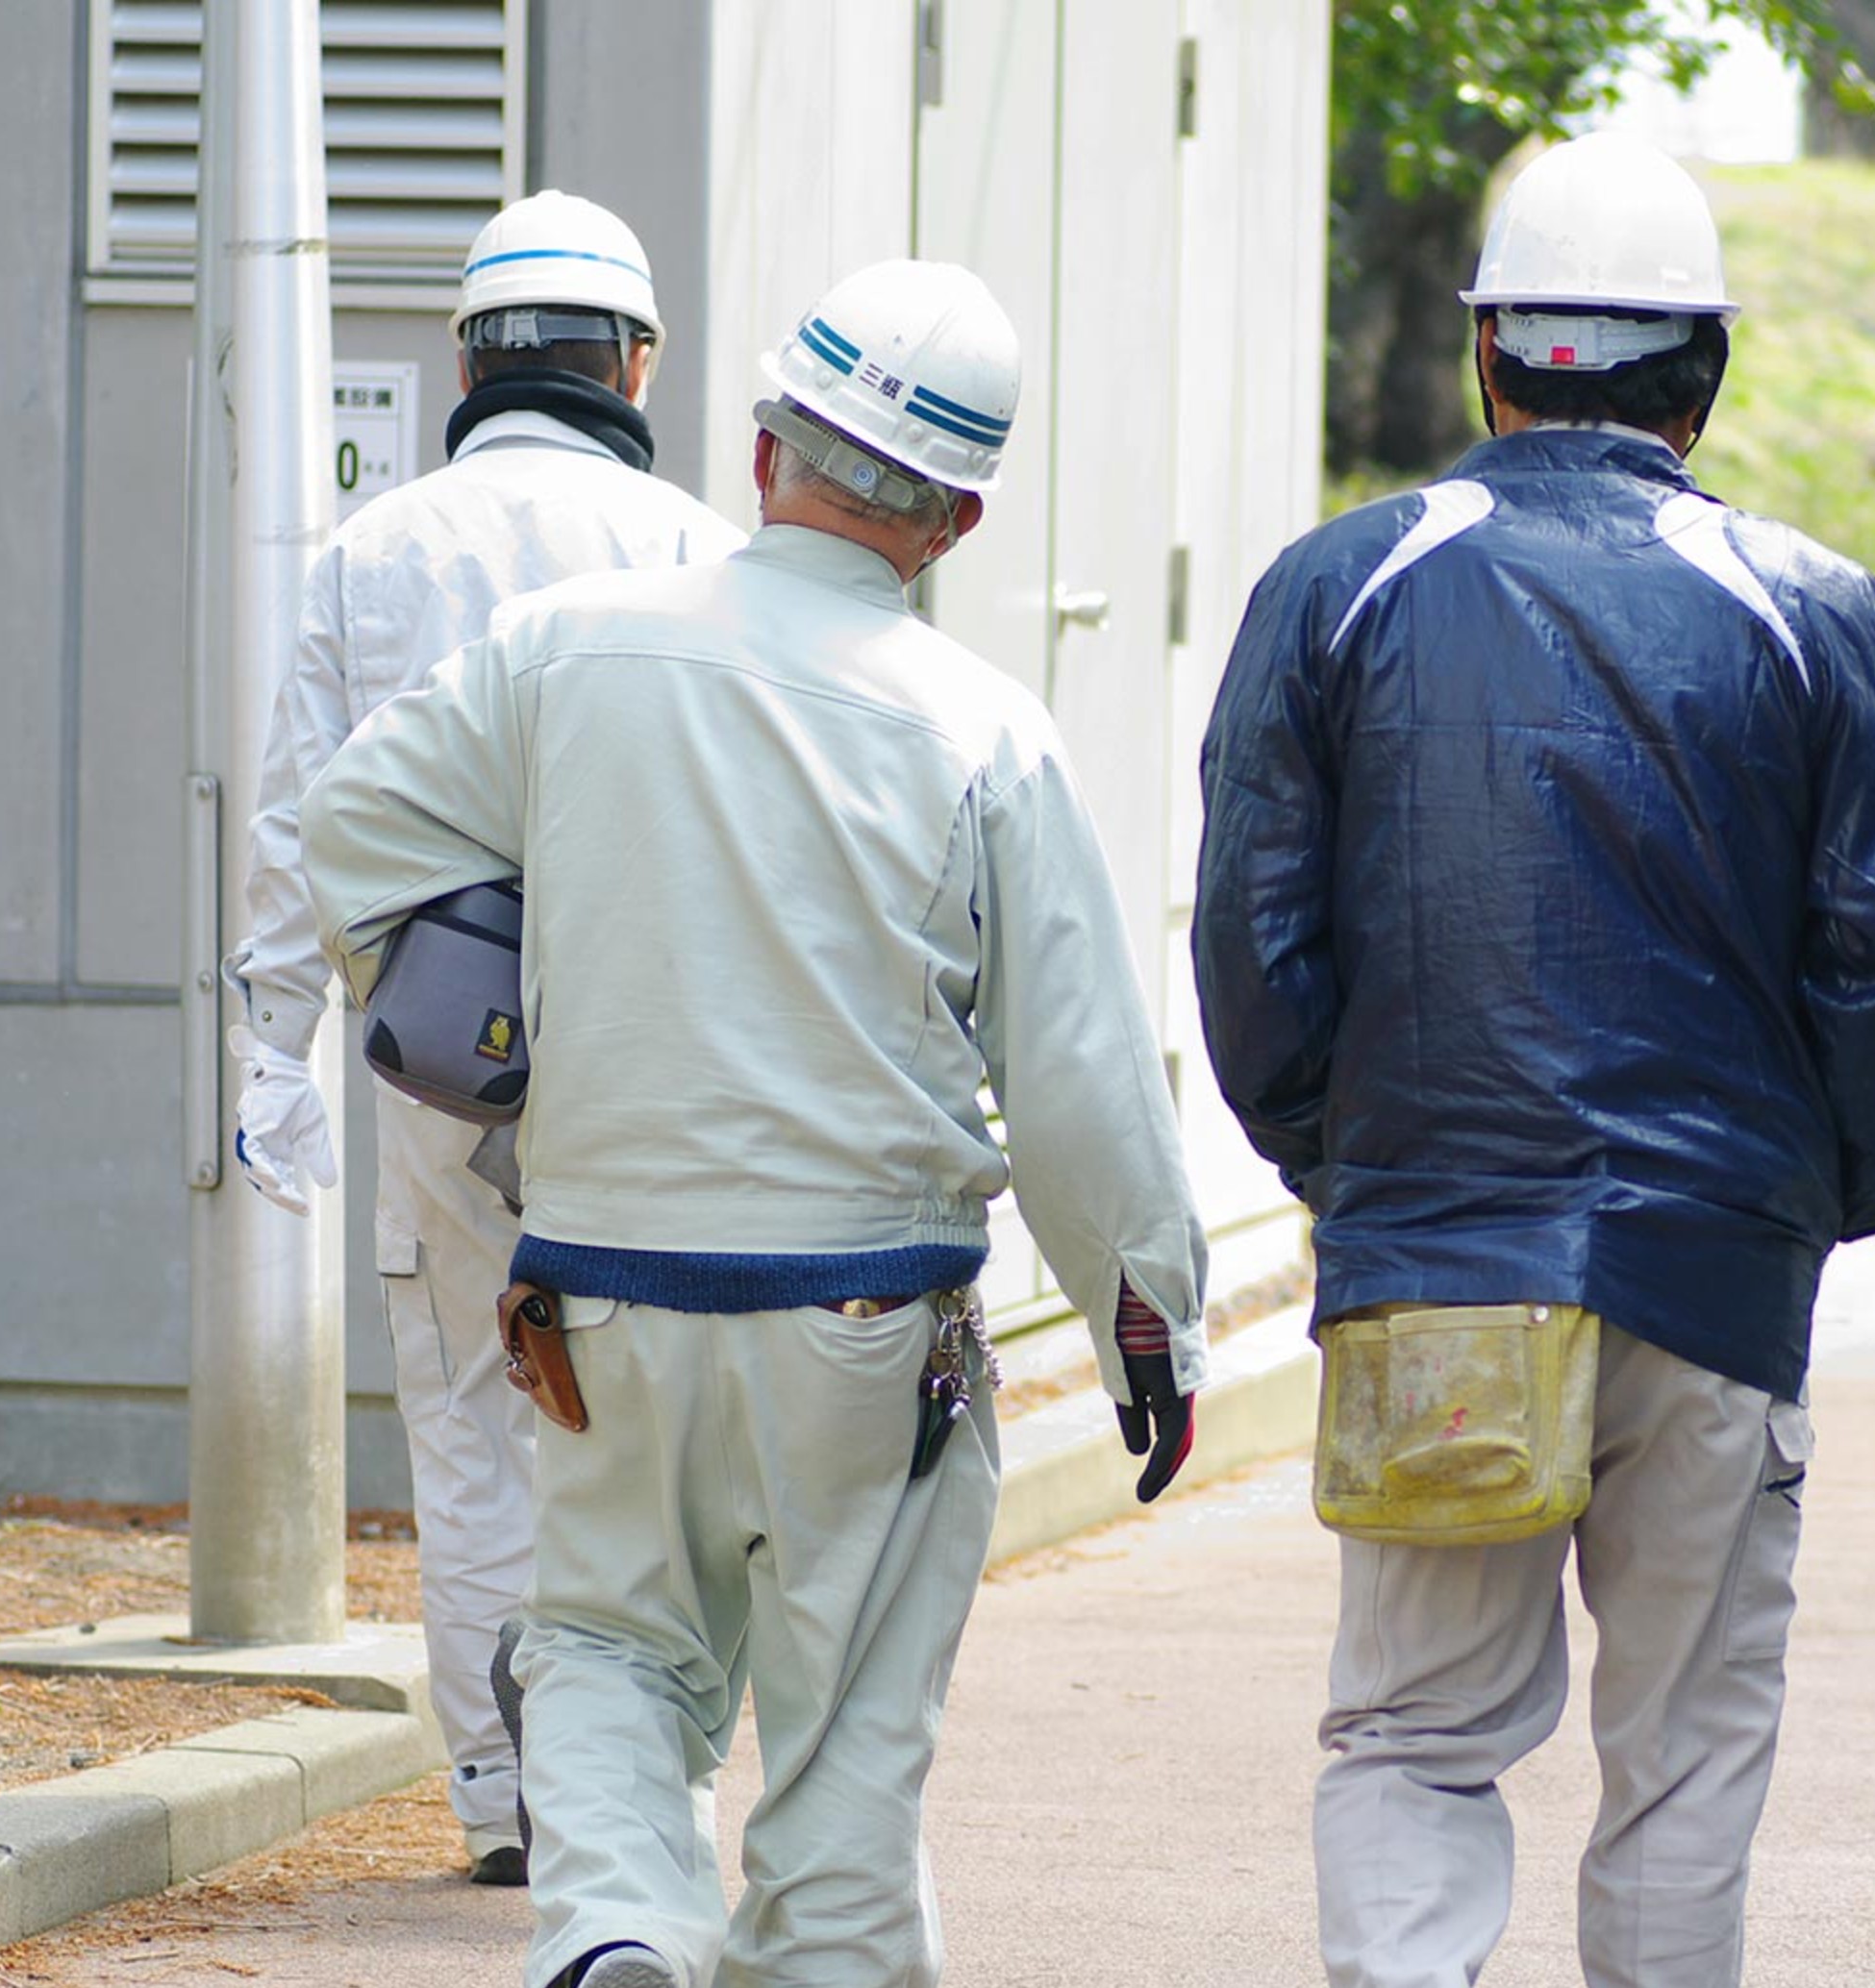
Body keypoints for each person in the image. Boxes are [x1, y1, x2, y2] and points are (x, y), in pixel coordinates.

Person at [300, 258, 1208, 1988]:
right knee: (850, 1729)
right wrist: (1141, 1322)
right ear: (953, 518)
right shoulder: (983, 732)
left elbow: (356, 834)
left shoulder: (565, 654)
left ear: (768, 444)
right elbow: (1080, 1073)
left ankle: (623, 1928)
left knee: (607, 1650)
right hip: (872, 1316)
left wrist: (515, 1030)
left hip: (603, 1283)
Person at [1194, 131, 1875, 1988]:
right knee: (1687, 1750)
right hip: (1719, 1264)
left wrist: (1345, 1156)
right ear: (1704, 371)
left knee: (1413, 1733)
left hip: (1436, 1261)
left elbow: (1251, 933)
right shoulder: (1819, 605)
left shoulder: (1340, 582)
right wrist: (1830, 1198)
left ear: (1486, 356)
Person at [225, 187, 740, 1886]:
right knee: (644, 1428)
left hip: (439, 1062)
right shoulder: (691, 549)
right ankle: (640, 1797)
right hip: (657, 1062)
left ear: (469, 356)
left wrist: (268, 1063)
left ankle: (507, 1805)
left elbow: (294, 827)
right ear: (636, 359)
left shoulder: (374, 550)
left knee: (468, 1421)